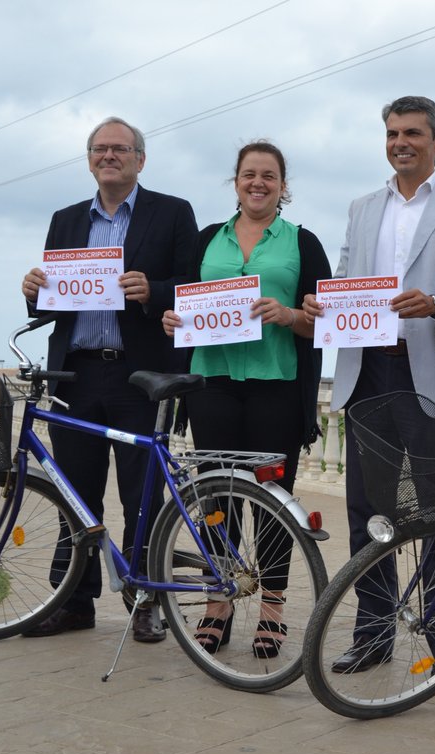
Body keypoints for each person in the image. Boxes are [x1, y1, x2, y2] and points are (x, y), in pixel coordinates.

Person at [301, 95, 435, 673]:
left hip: (431, 375)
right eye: (392, 133)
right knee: (368, 513)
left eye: (412, 133)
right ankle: (372, 636)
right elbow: (345, 281)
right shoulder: (362, 207)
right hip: (366, 373)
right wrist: (322, 304)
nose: (400, 143)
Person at [20, 116, 197, 641]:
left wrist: (155, 291)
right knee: (74, 494)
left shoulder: (172, 212)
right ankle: (73, 601)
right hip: (74, 374)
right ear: (89, 159)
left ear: (140, 159)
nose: (109, 156)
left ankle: (146, 600)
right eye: (100, 149)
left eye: (120, 148)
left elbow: (194, 285)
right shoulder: (66, 219)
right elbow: (52, 302)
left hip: (139, 375)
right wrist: (33, 290)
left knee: (142, 495)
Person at [162, 140, 330, 657]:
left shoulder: (303, 242)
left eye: (268, 176)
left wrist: (290, 315)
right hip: (212, 383)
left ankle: (273, 610)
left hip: (276, 385)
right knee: (218, 498)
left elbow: (324, 321)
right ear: (235, 182)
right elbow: (181, 301)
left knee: (273, 501)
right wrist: (173, 320)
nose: (258, 183)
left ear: (283, 186)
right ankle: (219, 602)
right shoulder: (206, 239)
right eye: (248, 174)